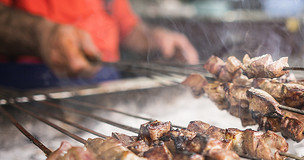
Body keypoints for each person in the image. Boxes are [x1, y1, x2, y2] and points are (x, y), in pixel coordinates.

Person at [0, 0, 198, 88]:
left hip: (106, 83)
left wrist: (153, 37)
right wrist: (42, 34)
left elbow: (127, 28)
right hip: (33, 84)